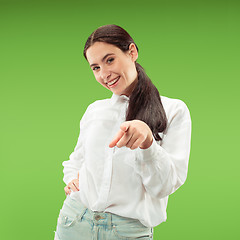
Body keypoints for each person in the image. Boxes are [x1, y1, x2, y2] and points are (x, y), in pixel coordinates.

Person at [54, 24, 192, 240]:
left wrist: (148, 143)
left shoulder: (173, 111)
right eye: (95, 68)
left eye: (109, 60)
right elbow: (77, 159)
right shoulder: (95, 110)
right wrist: (72, 178)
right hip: (75, 222)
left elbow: (164, 186)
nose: (104, 74)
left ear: (132, 52)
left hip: (127, 232)